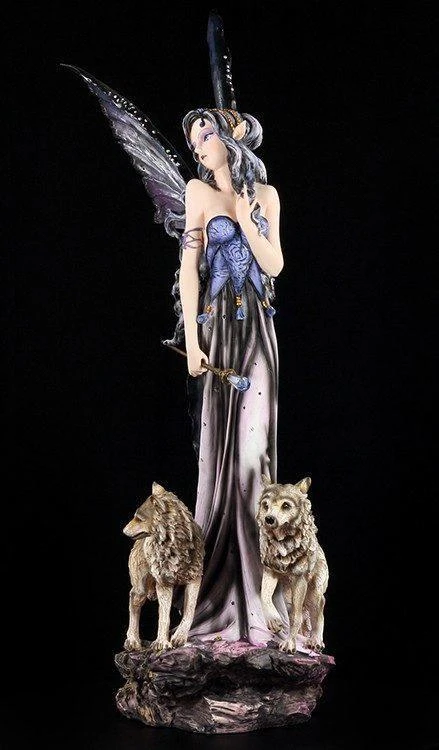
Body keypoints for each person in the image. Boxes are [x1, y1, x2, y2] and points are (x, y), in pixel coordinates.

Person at [168, 106, 287, 644]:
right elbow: (188, 269)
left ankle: (260, 600)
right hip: (217, 334)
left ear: (230, 137)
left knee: (252, 456)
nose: (199, 147)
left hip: (257, 334)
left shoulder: (265, 196)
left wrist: (245, 213)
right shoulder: (197, 192)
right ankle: (219, 597)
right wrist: (193, 342)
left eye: (206, 134)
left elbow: (274, 264)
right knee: (219, 455)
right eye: (194, 141)